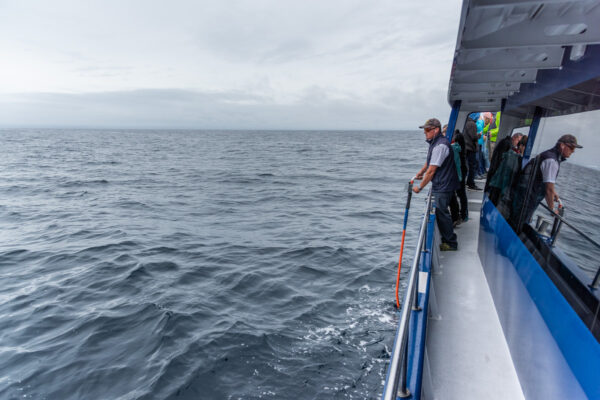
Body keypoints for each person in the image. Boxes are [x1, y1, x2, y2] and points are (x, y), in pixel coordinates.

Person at [509, 134, 582, 232]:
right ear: (562, 146)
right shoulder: (552, 160)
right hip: (527, 198)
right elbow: (549, 189)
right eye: (571, 148)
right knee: (516, 225)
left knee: (514, 221)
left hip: (524, 194)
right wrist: (552, 210)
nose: (573, 151)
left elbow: (542, 179)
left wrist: (553, 193)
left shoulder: (548, 155)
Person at [413, 118, 460, 251]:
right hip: (445, 183)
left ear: (436, 130)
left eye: (428, 130)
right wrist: (421, 172)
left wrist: (420, 187)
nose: (425, 133)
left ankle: (451, 243)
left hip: (444, 185)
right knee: (443, 212)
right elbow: (429, 163)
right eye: (425, 130)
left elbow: (432, 170)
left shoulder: (440, 146)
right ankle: (449, 238)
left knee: (442, 213)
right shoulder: (435, 143)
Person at [449, 129, 468, 224]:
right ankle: (464, 214)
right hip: (462, 170)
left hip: (459, 172)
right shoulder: (461, 150)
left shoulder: (455, 149)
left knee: (460, 193)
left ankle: (462, 215)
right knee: (461, 194)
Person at [464, 114, 481, 190]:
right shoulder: (472, 124)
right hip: (471, 148)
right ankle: (471, 183)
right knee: (472, 166)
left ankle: (464, 182)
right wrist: (479, 135)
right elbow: (474, 137)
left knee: (464, 166)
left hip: (465, 147)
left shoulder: (465, 122)